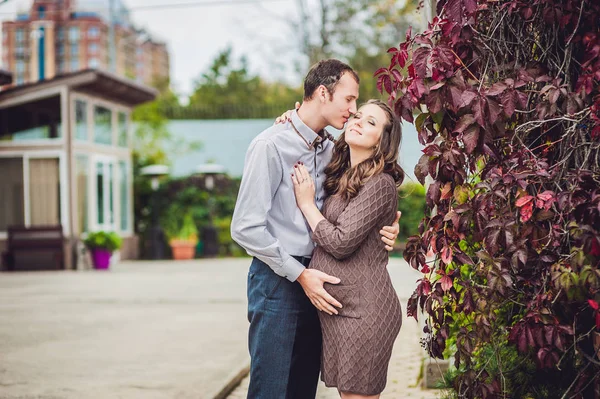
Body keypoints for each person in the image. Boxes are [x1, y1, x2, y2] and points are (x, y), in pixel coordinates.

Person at [230, 59, 401, 399]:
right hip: (279, 278)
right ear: (324, 93)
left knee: (302, 388)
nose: (353, 111)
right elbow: (245, 228)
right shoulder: (271, 145)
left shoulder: (331, 148)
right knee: (271, 388)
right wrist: (298, 274)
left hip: (321, 282)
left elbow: (359, 204)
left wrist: (386, 229)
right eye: (349, 100)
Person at [291, 99, 404, 398]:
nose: (357, 122)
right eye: (357, 116)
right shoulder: (345, 175)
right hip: (340, 313)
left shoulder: (380, 184)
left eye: (371, 122)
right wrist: (288, 119)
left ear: (383, 140)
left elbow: (341, 243)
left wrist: (305, 204)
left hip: (365, 312)